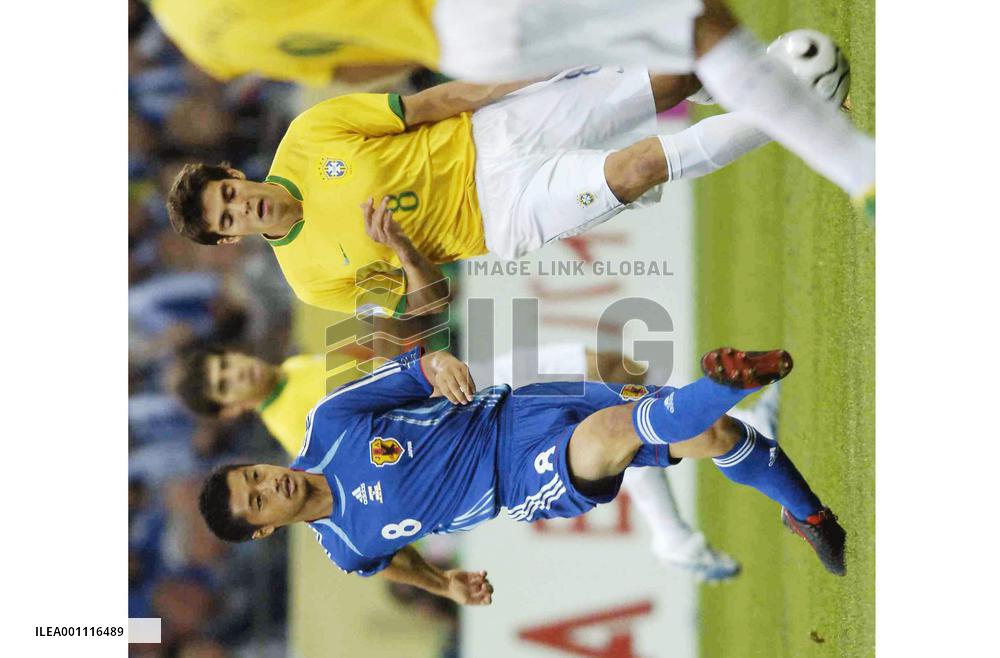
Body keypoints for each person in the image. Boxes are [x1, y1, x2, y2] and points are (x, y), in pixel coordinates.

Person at [197, 346, 847, 606]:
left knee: (715, 436)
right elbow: (383, 564)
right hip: (517, 478)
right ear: (261, 532)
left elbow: (414, 369)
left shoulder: (328, 421)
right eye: (256, 500)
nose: (268, 484)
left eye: (255, 473)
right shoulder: (347, 546)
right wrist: (442, 583)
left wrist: (438, 368)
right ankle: (729, 378)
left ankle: (810, 516)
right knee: (611, 434)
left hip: (519, 403)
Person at [167, 66, 791, 316]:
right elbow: (431, 305)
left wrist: (520, 78)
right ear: (229, 237)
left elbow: (427, 104)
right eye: (228, 217)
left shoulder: (307, 135)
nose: (239, 205)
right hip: (502, 217)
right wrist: (407, 252)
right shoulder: (310, 280)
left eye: (228, 192)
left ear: (233, 174)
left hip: (492, 134)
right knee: (636, 170)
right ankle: (791, 103)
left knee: (669, 81)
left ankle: (747, 79)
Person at [151, 0, 874, 212]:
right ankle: (860, 171)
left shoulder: (199, 40)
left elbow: (351, 64)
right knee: (698, 29)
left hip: (457, 41)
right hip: (468, 19)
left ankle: (854, 163)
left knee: (695, 33)